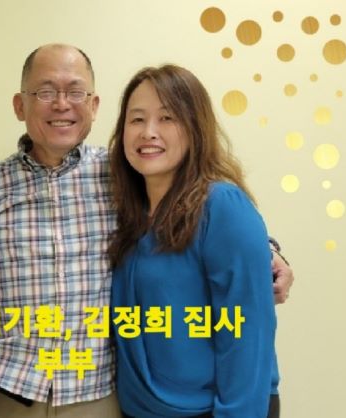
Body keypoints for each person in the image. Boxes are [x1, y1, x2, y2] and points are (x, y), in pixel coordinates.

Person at [0, 44, 292, 418]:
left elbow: (232, 269)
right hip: (15, 391)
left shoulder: (118, 176)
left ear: (94, 105)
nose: (61, 104)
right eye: (45, 92)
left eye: (75, 92)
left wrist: (268, 254)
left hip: (102, 398)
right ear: (20, 105)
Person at [108, 65, 279, 417]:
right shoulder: (128, 212)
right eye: (136, 119)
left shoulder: (221, 205)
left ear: (194, 127)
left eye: (167, 118)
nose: (148, 132)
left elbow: (249, 332)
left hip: (214, 409)